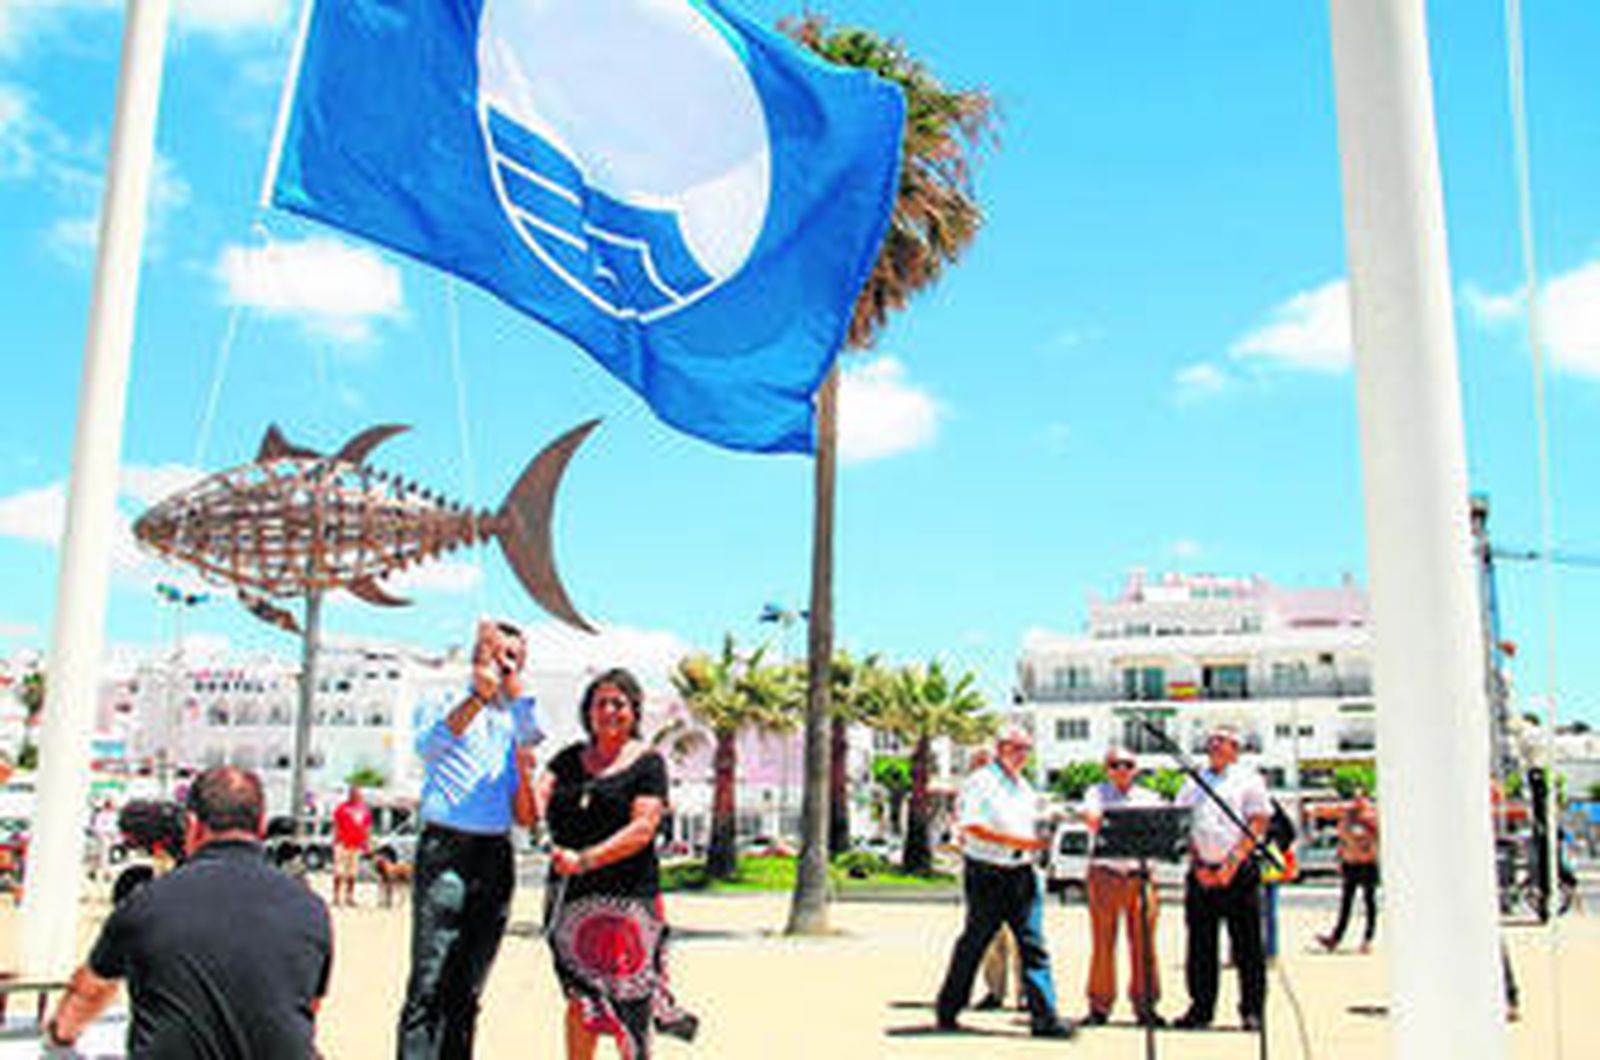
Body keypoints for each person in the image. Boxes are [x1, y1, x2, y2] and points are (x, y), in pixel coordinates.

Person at [44, 766, 331, 1057]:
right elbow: (306, 1008)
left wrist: (59, 1037)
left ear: (192, 826)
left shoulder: (148, 903)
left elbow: (90, 993)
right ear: (260, 827)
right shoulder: (310, 909)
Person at [528, 668, 695, 1060]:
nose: (609, 711)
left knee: (630, 1002)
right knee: (579, 1000)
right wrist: (523, 774)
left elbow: (643, 828)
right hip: (571, 902)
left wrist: (585, 859)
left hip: (628, 903)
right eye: (600, 703)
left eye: (618, 703)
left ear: (634, 711)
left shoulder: (648, 764)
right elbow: (534, 803)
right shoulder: (567, 760)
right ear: (587, 711)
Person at [397, 619, 543, 1059]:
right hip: (447, 848)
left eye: (516, 657)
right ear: (478, 652)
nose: (507, 664)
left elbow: (530, 769)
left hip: (495, 854)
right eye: (500, 654)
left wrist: (513, 699)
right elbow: (430, 746)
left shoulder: (518, 714)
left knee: (469, 983)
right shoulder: (443, 699)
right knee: (430, 978)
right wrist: (478, 696)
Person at [934, 725, 1076, 1039]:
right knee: (975, 942)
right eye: (1015, 747)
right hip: (988, 872)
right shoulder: (981, 782)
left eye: (1026, 748)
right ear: (1000, 748)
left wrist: (1039, 838)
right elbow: (972, 826)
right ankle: (948, 1008)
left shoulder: (1025, 786)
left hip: (1022, 873)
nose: (1021, 754)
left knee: (1033, 944)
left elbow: (1030, 827)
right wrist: (1018, 841)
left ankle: (1045, 1017)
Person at [1173, 725, 1270, 1031]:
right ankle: (1201, 1009)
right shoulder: (1193, 781)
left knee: (1247, 945)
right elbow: (1182, 822)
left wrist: (1232, 862)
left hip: (1238, 873)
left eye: (1222, 741)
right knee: (1200, 945)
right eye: (1211, 740)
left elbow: (1258, 821)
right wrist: (1197, 862)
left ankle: (1251, 1010)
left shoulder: (1249, 779)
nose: (1213, 745)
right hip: (1201, 871)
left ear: (1236, 749)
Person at [1080, 744, 1164, 1027]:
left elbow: (1160, 827)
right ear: (1107, 769)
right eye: (1115, 765)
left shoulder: (1150, 797)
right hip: (1107, 873)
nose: (1122, 770)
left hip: (1140, 875)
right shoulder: (1097, 793)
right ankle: (1099, 1005)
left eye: (1127, 765)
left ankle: (1146, 1004)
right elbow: (1093, 819)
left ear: (1136, 769)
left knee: (1144, 944)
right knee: (1103, 941)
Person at [1318, 790, 1379, 953]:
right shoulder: (1347, 816)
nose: (1357, 802)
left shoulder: (1372, 817)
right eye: (1355, 798)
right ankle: (1335, 938)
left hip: (1367, 864)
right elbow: (1342, 838)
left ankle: (1368, 939)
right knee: (1346, 903)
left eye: (1361, 798)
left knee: (1369, 902)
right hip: (1350, 864)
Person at [332, 784, 373, 908]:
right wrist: (337, 839)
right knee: (339, 871)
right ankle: (336, 897)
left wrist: (367, 842)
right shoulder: (342, 808)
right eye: (354, 793)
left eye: (358, 794)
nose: (356, 796)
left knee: (352, 873)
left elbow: (367, 828)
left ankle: (349, 896)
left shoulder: (365, 809)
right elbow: (336, 824)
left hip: (356, 844)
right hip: (342, 843)